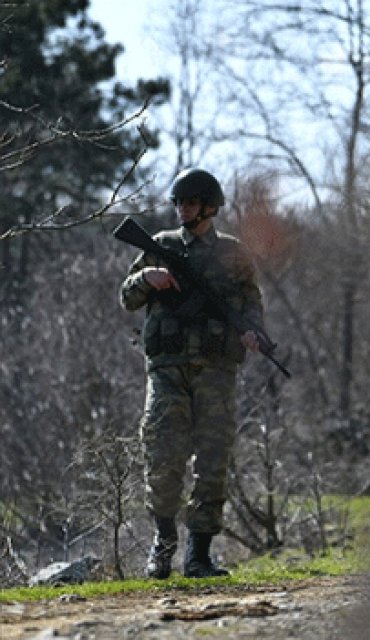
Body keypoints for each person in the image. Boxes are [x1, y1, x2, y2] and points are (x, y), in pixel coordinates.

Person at [120, 168, 265, 579]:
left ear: (210, 207)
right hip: (167, 371)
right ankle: (162, 547)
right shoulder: (160, 246)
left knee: (213, 460)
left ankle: (199, 555)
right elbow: (127, 298)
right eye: (179, 203)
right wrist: (146, 277)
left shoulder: (234, 254)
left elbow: (252, 305)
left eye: (191, 203)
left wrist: (254, 333)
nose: (183, 209)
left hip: (217, 371)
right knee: (163, 457)